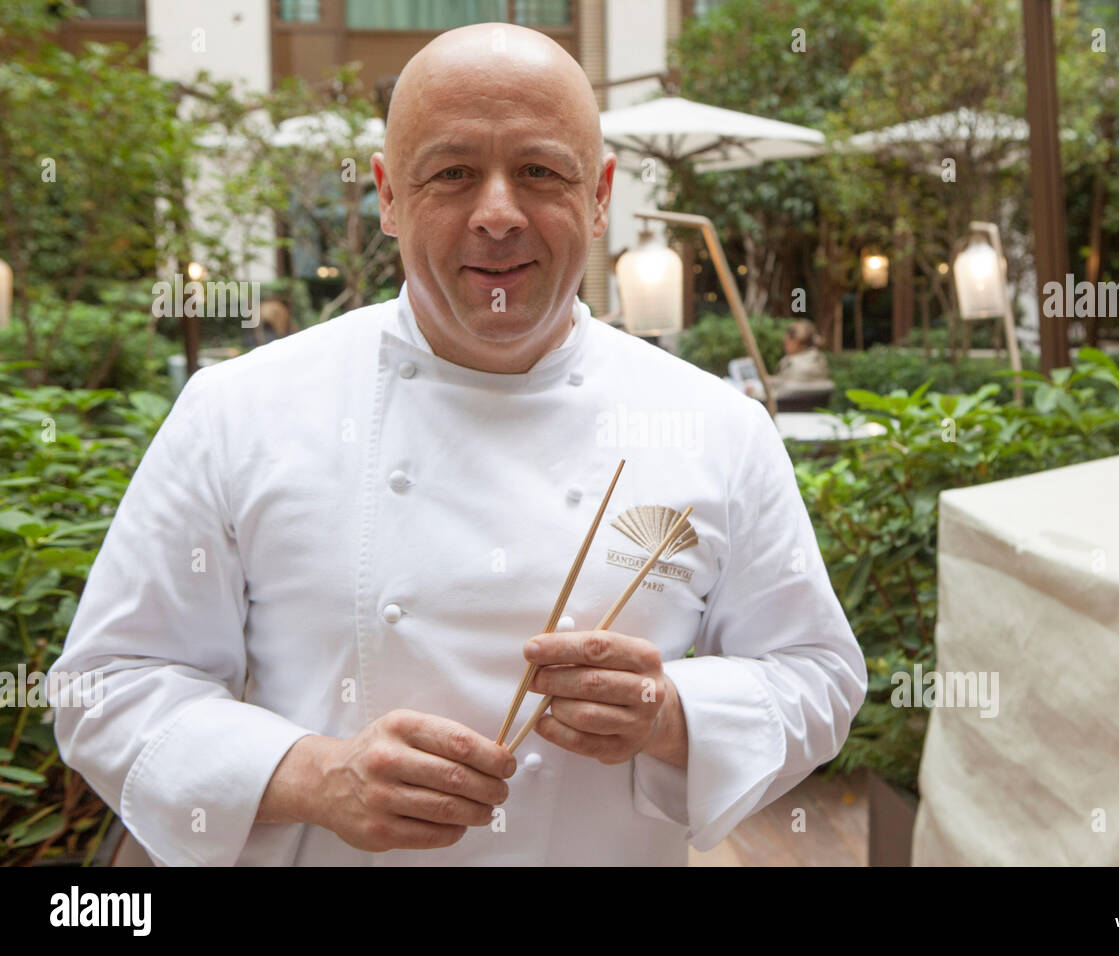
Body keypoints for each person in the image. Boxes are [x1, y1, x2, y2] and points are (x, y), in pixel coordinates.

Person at [51, 23, 866, 866]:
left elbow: (818, 674)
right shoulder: (237, 411)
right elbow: (107, 684)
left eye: (541, 172)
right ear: (389, 197)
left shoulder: (716, 424)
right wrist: (314, 775)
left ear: (599, 197)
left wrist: (670, 714)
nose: (499, 214)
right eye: (452, 174)